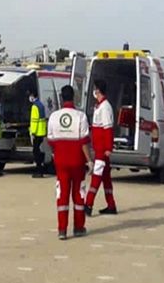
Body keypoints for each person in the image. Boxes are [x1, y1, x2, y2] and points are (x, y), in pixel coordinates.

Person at [47, 85, 93, 240]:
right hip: (77, 162)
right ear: (74, 97)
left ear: (61, 98)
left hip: (60, 162)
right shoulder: (80, 116)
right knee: (78, 195)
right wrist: (89, 161)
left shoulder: (54, 117)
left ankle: (62, 230)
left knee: (62, 195)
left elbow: (51, 140)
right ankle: (79, 227)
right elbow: (84, 142)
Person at [85, 79, 118, 216]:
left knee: (96, 176)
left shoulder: (105, 107)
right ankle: (111, 205)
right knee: (105, 178)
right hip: (99, 147)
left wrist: (108, 148)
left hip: (102, 149)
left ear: (98, 90)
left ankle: (88, 204)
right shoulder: (99, 106)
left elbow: (108, 129)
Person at [29, 90, 47, 178]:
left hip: (37, 132)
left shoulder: (35, 106)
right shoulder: (41, 105)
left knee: (35, 151)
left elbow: (34, 121)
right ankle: (40, 168)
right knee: (37, 150)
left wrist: (33, 132)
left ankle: (39, 170)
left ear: (33, 96)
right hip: (42, 131)